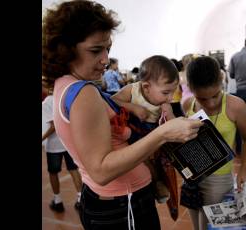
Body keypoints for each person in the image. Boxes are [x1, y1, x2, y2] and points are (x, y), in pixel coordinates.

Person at [42, 1, 203, 229]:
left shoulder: (66, 85)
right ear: (66, 49)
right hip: (122, 206)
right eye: (96, 50)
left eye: (107, 48)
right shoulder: (83, 93)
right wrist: (163, 134)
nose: (106, 59)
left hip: (114, 202)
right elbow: (101, 170)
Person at [182, 56, 246, 230]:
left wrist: (243, 171)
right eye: (203, 99)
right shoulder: (187, 105)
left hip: (219, 178)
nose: (211, 103)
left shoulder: (235, 106)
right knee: (197, 226)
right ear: (191, 89)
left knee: (211, 226)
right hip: (192, 177)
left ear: (222, 81)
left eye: (215, 95)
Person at [111, 55, 179, 204]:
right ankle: (155, 184)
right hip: (133, 135)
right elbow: (112, 100)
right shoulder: (132, 90)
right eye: (166, 93)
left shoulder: (165, 103)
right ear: (146, 87)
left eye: (173, 92)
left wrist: (170, 114)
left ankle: (160, 184)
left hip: (154, 136)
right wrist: (133, 107)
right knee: (143, 161)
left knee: (160, 162)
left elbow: (172, 125)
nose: (170, 98)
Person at [42, 78, 83, 213]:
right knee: (73, 169)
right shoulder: (64, 96)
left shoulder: (47, 101)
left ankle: (57, 200)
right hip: (69, 141)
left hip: (54, 145)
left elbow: (53, 126)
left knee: (53, 172)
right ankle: (80, 198)